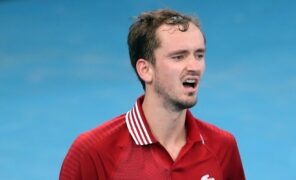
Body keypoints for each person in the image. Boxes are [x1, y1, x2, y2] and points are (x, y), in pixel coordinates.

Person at [60, 9, 245, 180]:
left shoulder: (222, 146)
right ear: (145, 69)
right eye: (178, 56)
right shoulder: (93, 151)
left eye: (199, 55)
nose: (194, 66)